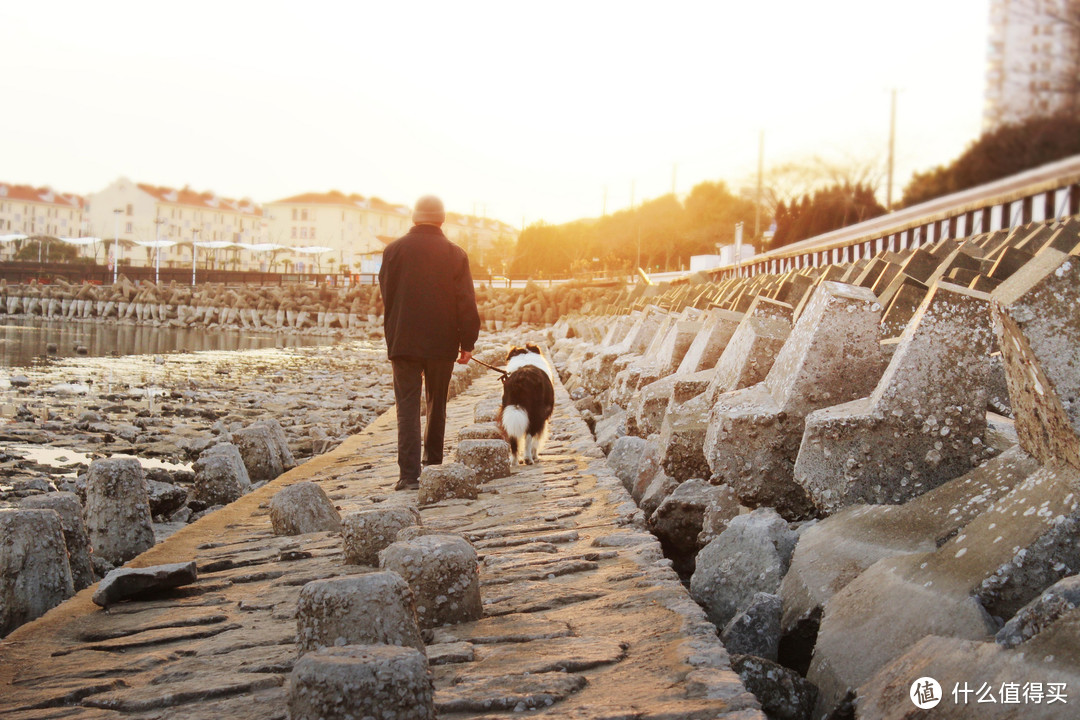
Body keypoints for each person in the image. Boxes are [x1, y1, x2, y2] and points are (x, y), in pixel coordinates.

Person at [378, 195, 481, 490]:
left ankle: (409, 476)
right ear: (442, 218)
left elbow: (389, 294)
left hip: (403, 340)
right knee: (437, 404)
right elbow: (466, 302)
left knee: (407, 407)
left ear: (414, 217)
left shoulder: (393, 251)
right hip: (441, 341)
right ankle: (433, 466)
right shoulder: (455, 254)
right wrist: (467, 342)